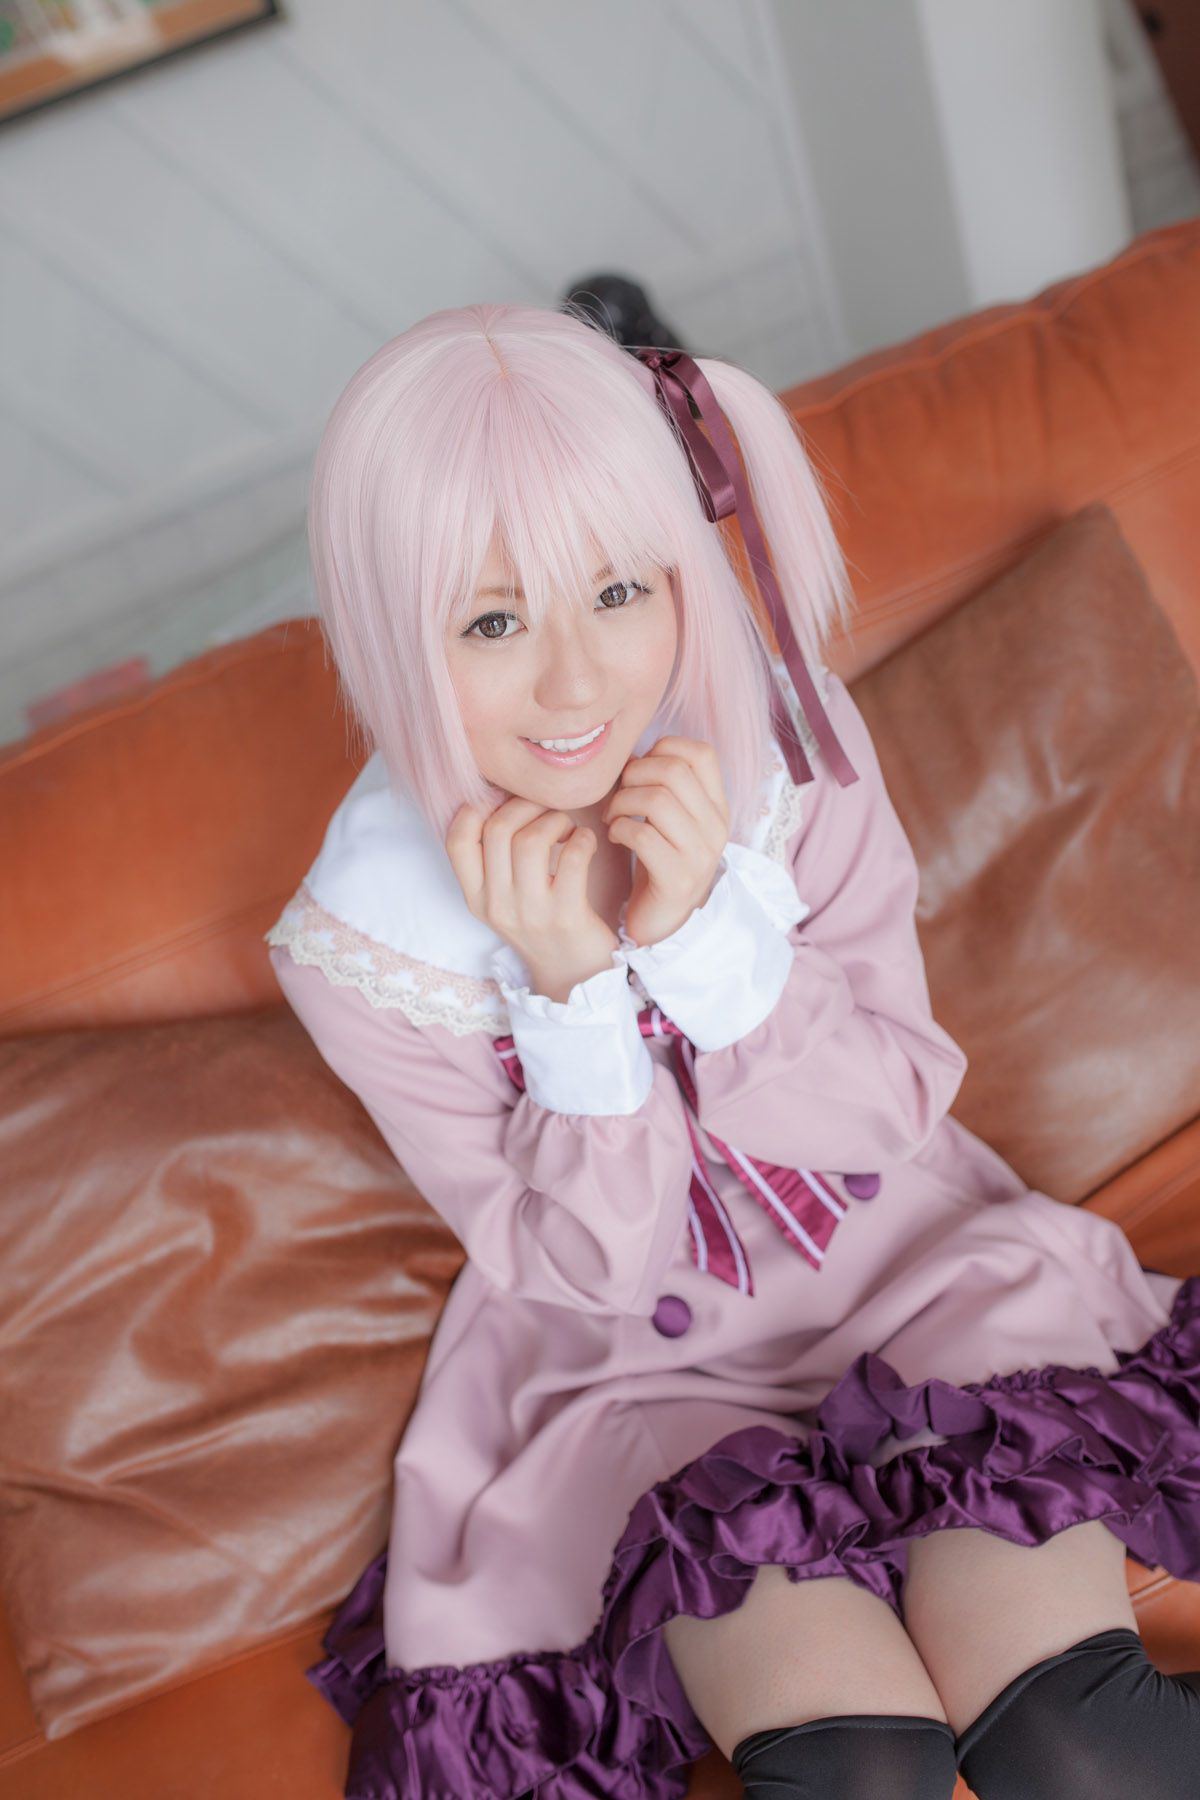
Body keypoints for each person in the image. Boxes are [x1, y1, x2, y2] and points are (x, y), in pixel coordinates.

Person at [264, 302, 1200, 1800]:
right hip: (632, 1382)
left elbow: (890, 1107)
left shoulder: (788, 754)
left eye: (618, 591)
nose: (575, 685)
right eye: (492, 623)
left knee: (1075, 1740)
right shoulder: (364, 941)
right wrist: (572, 993)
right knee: (862, 1779)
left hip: (920, 1276)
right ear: (394, 635)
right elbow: (589, 1272)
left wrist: (705, 935)